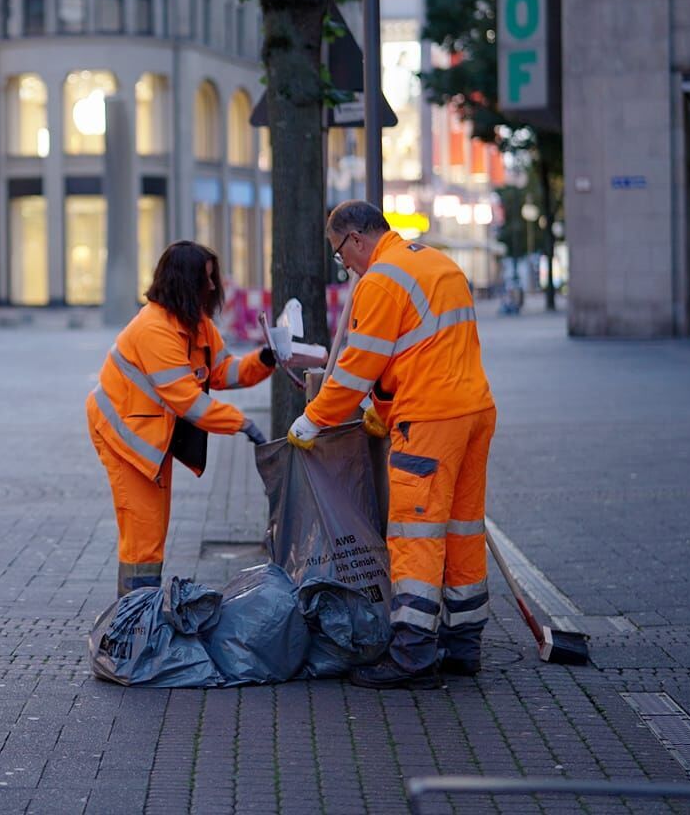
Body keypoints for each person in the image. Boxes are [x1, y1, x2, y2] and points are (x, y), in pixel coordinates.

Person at [290, 200, 495, 689]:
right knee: (463, 529)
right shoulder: (438, 263)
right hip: (474, 412)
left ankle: (412, 655)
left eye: (341, 254)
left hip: (428, 422)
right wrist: (382, 412)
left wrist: (314, 418)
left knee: (416, 536)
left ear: (357, 239)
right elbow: (421, 352)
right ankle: (463, 644)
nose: (346, 264)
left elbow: (359, 367)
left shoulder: (382, 280)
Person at [87, 241, 275, 598]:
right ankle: (134, 620)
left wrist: (265, 358)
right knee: (143, 535)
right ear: (185, 283)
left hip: (149, 436)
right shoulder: (154, 330)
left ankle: (142, 613)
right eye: (206, 280)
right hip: (124, 437)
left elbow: (222, 371)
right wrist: (243, 424)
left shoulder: (196, 324)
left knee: (152, 530)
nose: (213, 287)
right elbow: (188, 401)